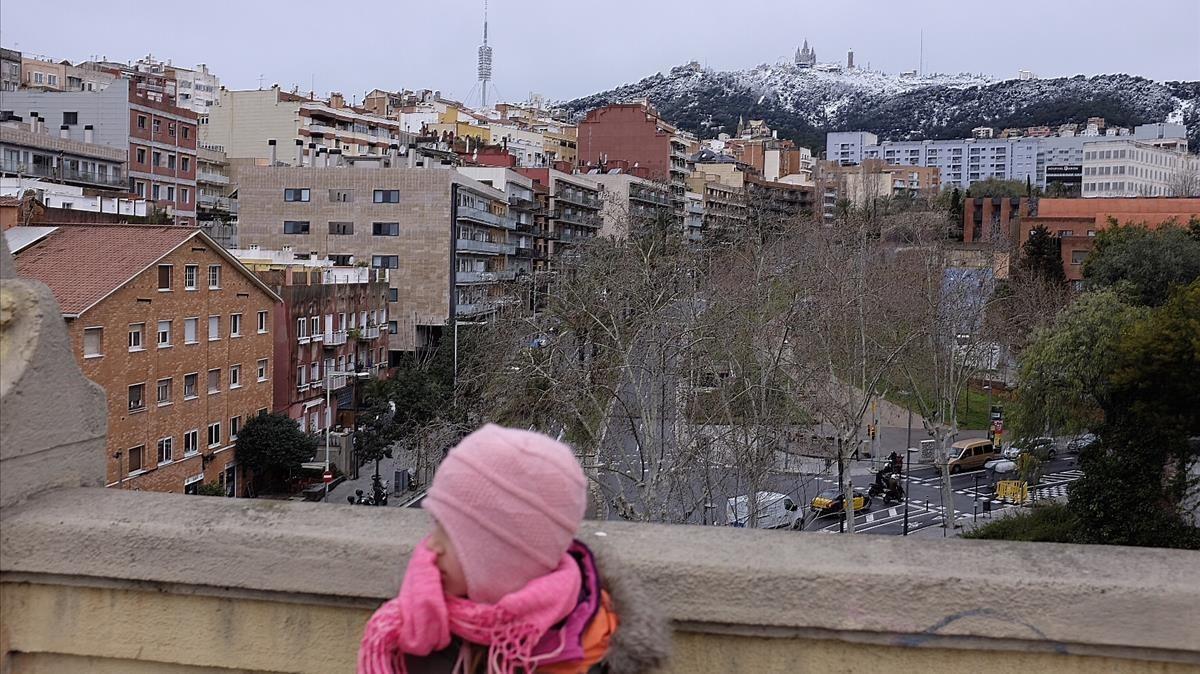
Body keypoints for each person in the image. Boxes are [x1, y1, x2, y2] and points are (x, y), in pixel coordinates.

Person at [358, 424, 670, 674]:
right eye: (435, 523)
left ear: (502, 557)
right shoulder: (419, 624)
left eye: (449, 532)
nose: (432, 545)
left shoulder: (590, 655)